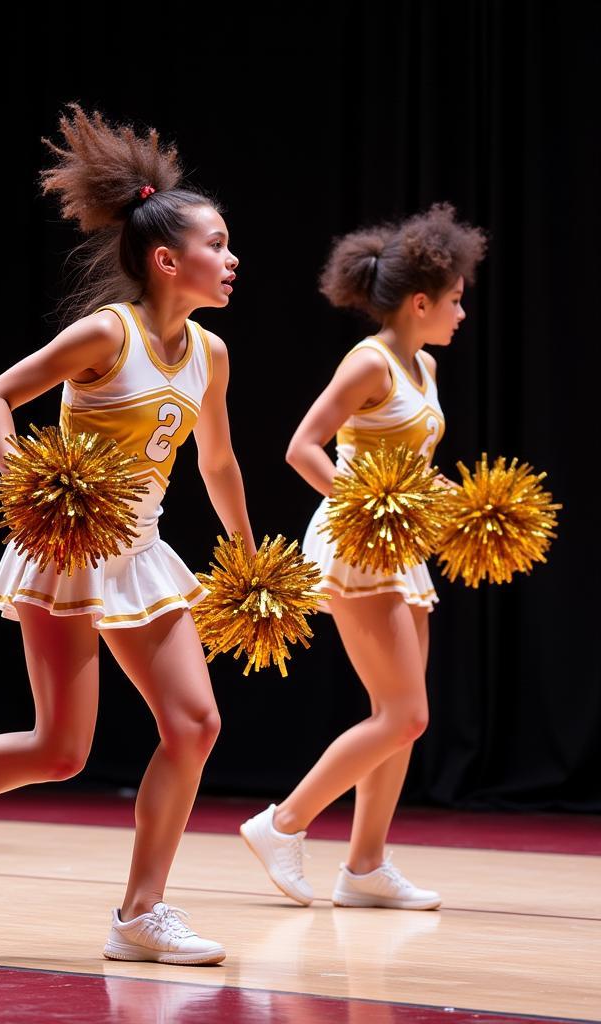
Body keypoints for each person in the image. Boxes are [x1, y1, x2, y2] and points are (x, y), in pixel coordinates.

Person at [0, 106, 253, 965]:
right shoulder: (106, 334)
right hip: (70, 552)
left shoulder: (211, 357)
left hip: (142, 553)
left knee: (194, 725)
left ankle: (140, 914)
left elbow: (217, 463)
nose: (231, 260)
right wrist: (29, 485)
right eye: (218, 244)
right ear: (166, 259)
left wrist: (248, 553)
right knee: (62, 750)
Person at [240, 203, 486, 909]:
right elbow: (303, 447)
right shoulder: (368, 362)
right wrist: (368, 500)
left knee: (399, 711)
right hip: (358, 542)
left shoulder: (425, 367)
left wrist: (440, 499)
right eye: (455, 300)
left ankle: (366, 868)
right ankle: (281, 822)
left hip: (400, 545)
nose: (461, 313)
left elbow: (407, 459)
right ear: (419, 302)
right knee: (405, 716)